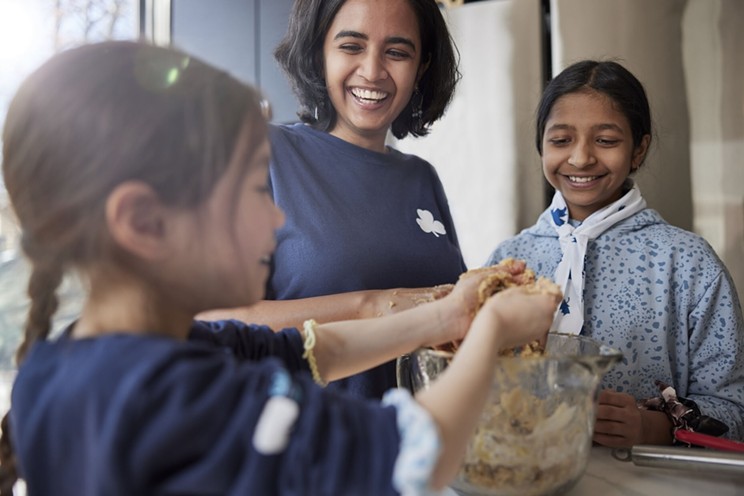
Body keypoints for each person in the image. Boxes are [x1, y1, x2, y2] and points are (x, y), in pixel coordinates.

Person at [0, 41, 560, 496]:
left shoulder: (81, 363)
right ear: (144, 222)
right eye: (251, 189)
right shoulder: (175, 400)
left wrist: (454, 313)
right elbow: (415, 454)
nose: (274, 217)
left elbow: (311, 351)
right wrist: (490, 331)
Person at [199, 0, 466, 400]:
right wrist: (372, 306)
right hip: (314, 447)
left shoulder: (421, 177)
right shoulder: (264, 153)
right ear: (318, 52)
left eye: (397, 52)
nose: (373, 71)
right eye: (351, 46)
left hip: (427, 447)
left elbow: (455, 321)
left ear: (422, 66)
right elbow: (212, 320)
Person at [485, 59, 744, 447]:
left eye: (605, 140)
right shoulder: (508, 261)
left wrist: (651, 427)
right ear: (541, 145)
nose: (581, 158)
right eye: (561, 140)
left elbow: (734, 409)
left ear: (639, 149)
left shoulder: (688, 263)